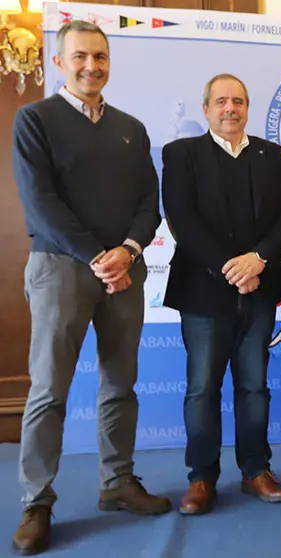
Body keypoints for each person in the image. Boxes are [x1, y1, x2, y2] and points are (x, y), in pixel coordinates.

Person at [11, 20, 169, 554]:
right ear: (59, 62)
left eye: (100, 57)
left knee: (120, 384)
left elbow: (150, 201)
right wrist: (97, 256)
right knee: (48, 391)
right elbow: (41, 204)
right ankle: (37, 501)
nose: (91, 66)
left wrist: (127, 251)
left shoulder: (130, 127)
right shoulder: (34, 119)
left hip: (124, 270)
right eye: (80, 57)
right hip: (61, 268)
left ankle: (117, 483)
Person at [162, 74, 281, 515]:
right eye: (220, 101)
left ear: (247, 107)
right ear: (205, 109)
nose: (230, 109)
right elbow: (182, 220)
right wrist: (234, 269)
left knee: (255, 387)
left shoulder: (272, 155)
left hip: (259, 290)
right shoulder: (181, 154)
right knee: (202, 389)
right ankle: (201, 477)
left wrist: (258, 259)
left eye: (238, 101)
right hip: (203, 293)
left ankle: (256, 470)